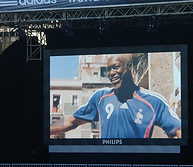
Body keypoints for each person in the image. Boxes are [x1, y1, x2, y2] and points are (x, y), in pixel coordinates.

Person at [50, 54, 181, 138]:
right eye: (109, 69)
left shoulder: (154, 101)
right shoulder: (100, 97)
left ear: (129, 67)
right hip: (104, 166)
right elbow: (70, 121)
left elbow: (178, 129)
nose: (111, 73)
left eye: (116, 67)